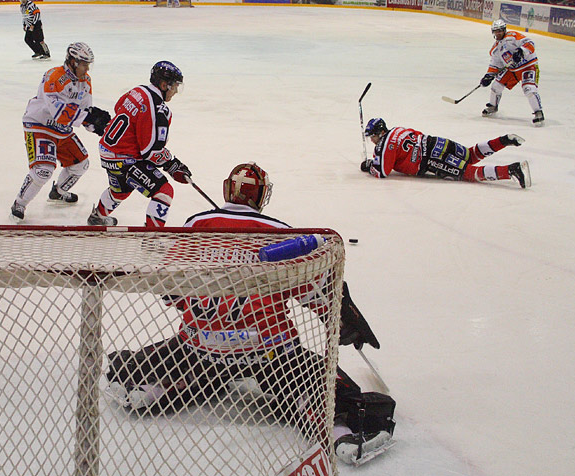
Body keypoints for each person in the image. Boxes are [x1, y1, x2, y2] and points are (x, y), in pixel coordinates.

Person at [105, 162, 396, 466]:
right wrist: (344, 320)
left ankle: (153, 386)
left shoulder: (194, 225)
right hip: (269, 352)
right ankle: (340, 432)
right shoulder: (281, 234)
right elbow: (318, 294)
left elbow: (170, 290)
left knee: (161, 358)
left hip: (200, 347)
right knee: (323, 384)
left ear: (226, 189)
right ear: (260, 197)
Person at [10, 42, 111, 222]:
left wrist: (99, 126)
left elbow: (85, 111)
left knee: (81, 164)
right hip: (39, 125)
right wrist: (87, 119)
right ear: (72, 61)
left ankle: (58, 192)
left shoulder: (85, 81)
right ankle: (20, 203)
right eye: (84, 64)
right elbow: (59, 113)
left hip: (62, 129)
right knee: (43, 171)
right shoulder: (54, 76)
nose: (87, 68)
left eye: (89, 64)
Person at [86, 61, 191, 227]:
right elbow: (150, 151)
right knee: (164, 192)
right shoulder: (158, 110)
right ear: (164, 85)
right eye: (174, 86)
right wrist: (172, 164)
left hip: (106, 151)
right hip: (124, 158)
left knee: (120, 190)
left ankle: (97, 217)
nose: (176, 91)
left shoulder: (137, 90)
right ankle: (152, 238)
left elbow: (118, 107)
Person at [361, 118, 532, 188]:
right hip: (437, 143)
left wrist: (369, 166)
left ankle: (511, 170)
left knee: (471, 173)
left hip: (431, 159)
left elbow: (382, 171)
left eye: (373, 136)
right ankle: (504, 139)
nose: (372, 140)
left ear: (380, 133)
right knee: (470, 155)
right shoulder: (399, 129)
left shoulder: (384, 145)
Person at [480, 19, 544, 125]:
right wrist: (488, 76)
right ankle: (493, 106)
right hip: (512, 70)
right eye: (496, 31)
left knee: (529, 89)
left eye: (500, 30)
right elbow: (495, 65)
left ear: (504, 30)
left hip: (528, 66)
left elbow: (530, 43)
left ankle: (538, 112)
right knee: (496, 86)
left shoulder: (513, 36)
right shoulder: (495, 49)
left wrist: (521, 51)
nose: (498, 33)